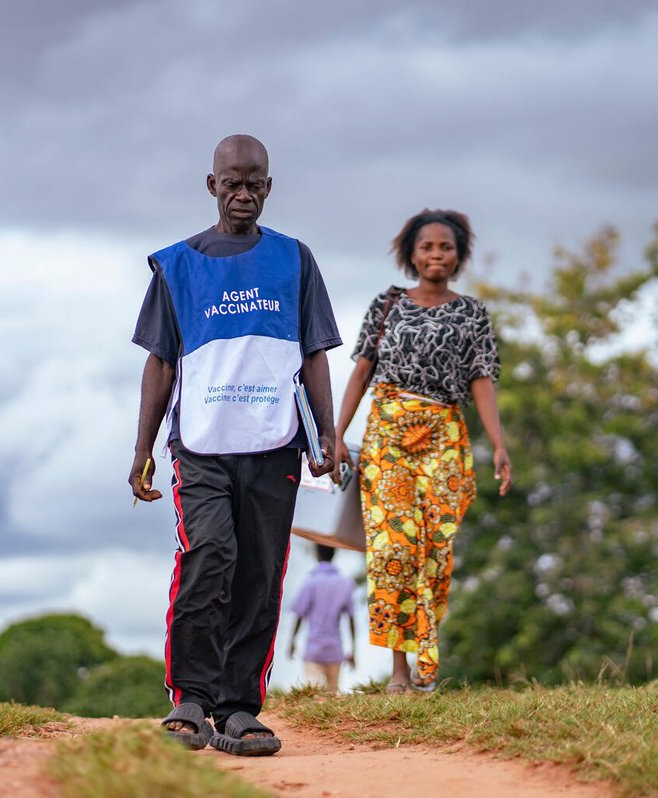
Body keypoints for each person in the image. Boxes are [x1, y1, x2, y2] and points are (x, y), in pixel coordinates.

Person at [129, 134, 341, 756]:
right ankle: (190, 700)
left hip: (275, 443)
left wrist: (327, 434)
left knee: (259, 572)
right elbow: (160, 364)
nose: (243, 193)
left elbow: (315, 355)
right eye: (232, 182)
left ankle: (240, 708)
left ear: (269, 188)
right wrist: (141, 449)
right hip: (200, 444)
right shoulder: (179, 264)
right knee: (209, 556)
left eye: (255, 183)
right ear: (212, 185)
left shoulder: (295, 260)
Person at [333, 209, 512, 694]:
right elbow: (361, 373)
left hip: (444, 437)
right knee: (394, 550)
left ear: (459, 256)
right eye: (428, 247)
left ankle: (425, 665)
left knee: (435, 549)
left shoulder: (471, 313)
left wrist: (498, 445)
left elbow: (482, 381)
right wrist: (335, 433)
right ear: (411, 254)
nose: (437, 255)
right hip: (388, 437)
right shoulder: (387, 304)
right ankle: (397, 672)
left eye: (446, 247)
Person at [287, 544, 357, 692]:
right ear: (334, 553)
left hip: (314, 648)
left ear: (316, 554)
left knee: (314, 693)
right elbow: (351, 619)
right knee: (332, 694)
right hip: (335, 648)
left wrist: (292, 641)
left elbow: (300, 614)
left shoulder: (311, 582)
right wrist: (353, 650)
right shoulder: (345, 582)